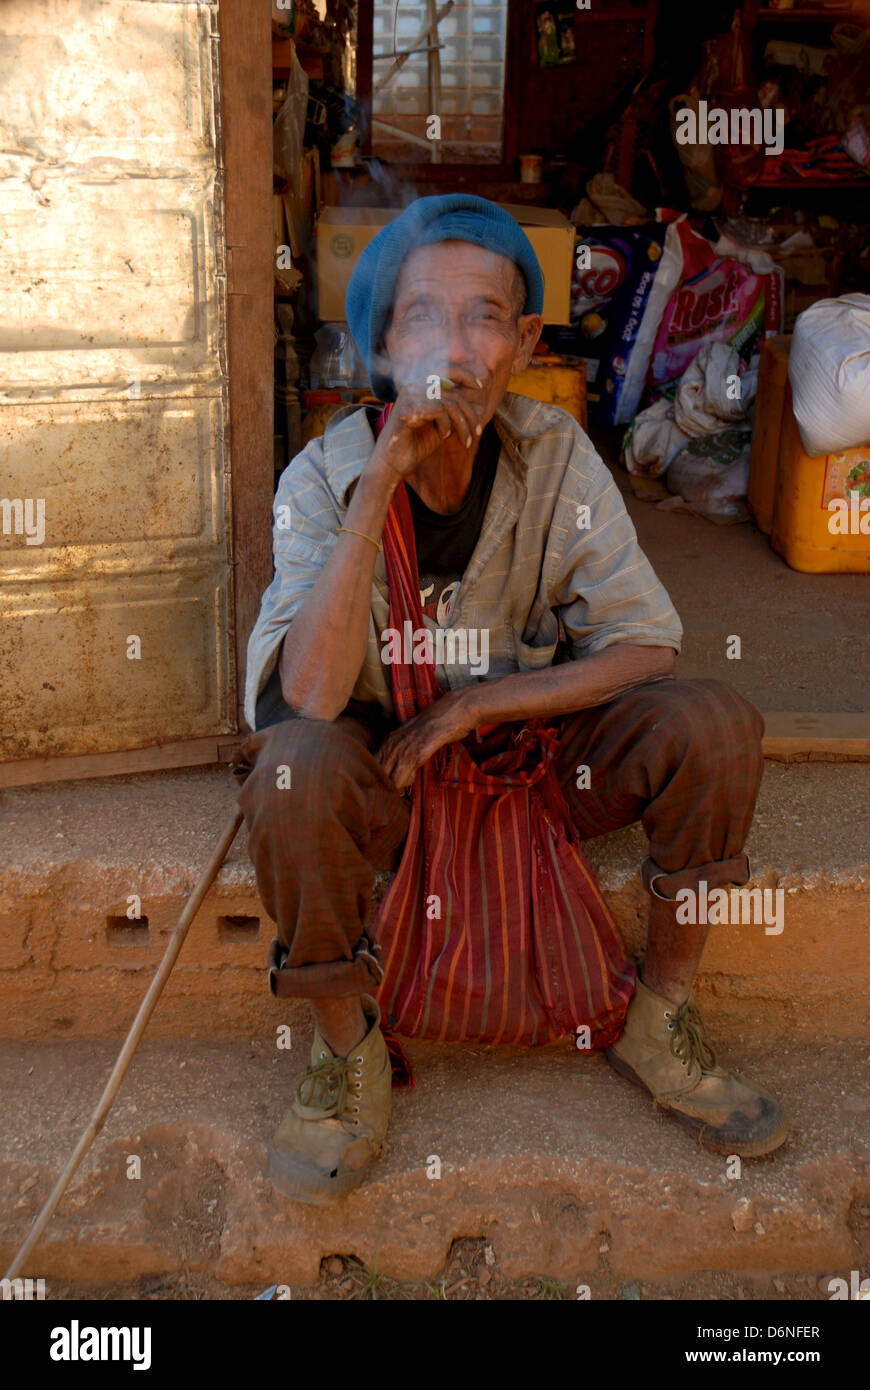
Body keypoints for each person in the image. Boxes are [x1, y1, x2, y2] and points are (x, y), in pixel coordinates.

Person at [235, 195, 787, 1205]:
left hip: (532, 765)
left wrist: (481, 707)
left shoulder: (557, 452)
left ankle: (661, 1019)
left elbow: (647, 643)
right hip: (386, 787)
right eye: (421, 319)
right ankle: (347, 1056)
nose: (455, 343)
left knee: (714, 721)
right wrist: (381, 486)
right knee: (288, 771)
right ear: (383, 346)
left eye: (486, 315)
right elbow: (305, 699)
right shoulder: (324, 476)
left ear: (525, 340)